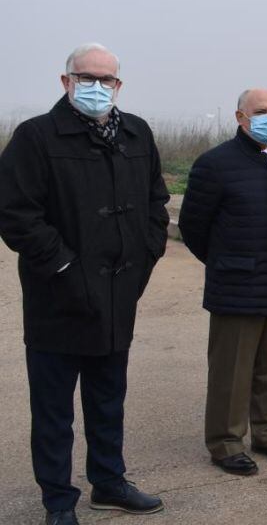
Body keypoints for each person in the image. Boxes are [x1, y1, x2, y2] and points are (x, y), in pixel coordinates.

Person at [0, 43, 168, 525]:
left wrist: (146, 254)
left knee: (108, 398)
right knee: (53, 412)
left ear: (119, 85)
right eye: (86, 77)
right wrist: (66, 269)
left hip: (118, 296)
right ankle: (58, 501)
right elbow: (17, 216)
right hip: (60, 298)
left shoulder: (136, 133)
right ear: (66, 80)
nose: (97, 87)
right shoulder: (36, 137)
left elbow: (157, 202)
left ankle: (109, 482)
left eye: (106, 79)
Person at [178, 89, 267, 476]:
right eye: (260, 111)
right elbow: (193, 227)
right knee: (232, 370)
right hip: (236, 285)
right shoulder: (215, 164)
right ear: (240, 117)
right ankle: (226, 442)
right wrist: (225, 263)